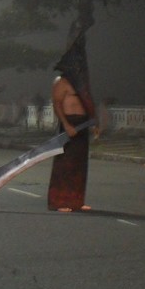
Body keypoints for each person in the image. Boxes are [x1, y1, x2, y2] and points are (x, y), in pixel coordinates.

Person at [48, 74, 98, 212]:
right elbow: (57, 103)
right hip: (69, 124)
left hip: (83, 125)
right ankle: (59, 202)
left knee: (80, 165)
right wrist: (66, 124)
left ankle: (77, 201)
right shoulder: (61, 81)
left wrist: (94, 123)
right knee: (65, 165)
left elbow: (88, 103)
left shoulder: (81, 82)